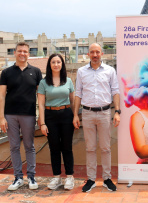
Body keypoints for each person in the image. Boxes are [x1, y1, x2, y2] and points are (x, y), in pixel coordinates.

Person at [73, 43, 120, 192]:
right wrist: (75, 114)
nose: (95, 55)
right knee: (90, 148)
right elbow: (78, 93)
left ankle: (107, 178)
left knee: (106, 148)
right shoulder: (81, 72)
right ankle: (91, 179)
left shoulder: (110, 71)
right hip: (87, 113)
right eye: (92, 52)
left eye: (97, 52)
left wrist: (118, 111)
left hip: (105, 113)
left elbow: (115, 91)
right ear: (88, 54)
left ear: (102, 54)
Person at [0, 42, 42, 191]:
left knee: (29, 146)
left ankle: (31, 176)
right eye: (20, 51)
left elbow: (40, 95)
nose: (22, 53)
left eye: (25, 51)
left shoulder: (36, 72)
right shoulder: (6, 72)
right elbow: (2, 96)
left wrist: (40, 116)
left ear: (28, 54)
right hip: (10, 115)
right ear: (15, 53)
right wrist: (1, 117)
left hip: (29, 114)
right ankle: (18, 177)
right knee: (14, 146)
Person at [38, 53, 75, 190]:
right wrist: (42, 123)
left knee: (67, 147)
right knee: (54, 148)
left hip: (66, 115)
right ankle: (57, 177)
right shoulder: (43, 82)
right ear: (50, 65)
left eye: (58, 62)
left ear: (62, 64)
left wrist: (75, 116)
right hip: (50, 116)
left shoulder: (68, 81)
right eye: (53, 62)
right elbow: (41, 104)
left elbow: (72, 101)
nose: (56, 64)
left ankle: (70, 177)